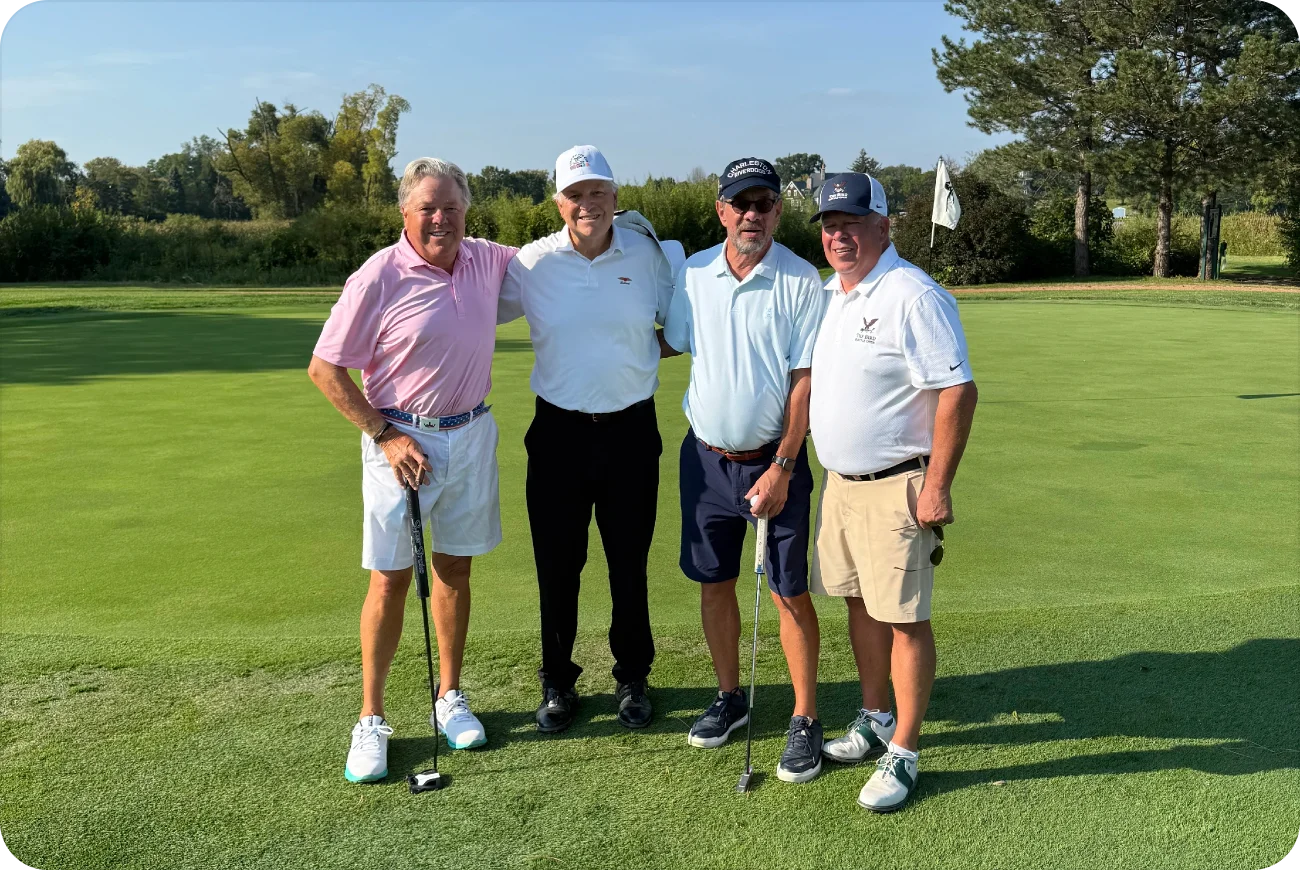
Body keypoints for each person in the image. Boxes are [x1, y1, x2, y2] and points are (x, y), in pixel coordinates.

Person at [308, 158, 516, 782]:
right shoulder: (378, 274)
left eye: (451, 206)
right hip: (401, 442)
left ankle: (449, 696)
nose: (440, 218)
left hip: (471, 433)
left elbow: (557, 250)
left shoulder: (485, 258)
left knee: (454, 568)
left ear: (466, 212)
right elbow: (325, 370)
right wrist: (385, 436)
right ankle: (370, 718)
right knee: (390, 579)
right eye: (427, 206)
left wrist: (631, 226)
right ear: (405, 212)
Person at [806, 172, 978, 812]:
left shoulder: (913, 294)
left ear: (884, 227)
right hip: (842, 487)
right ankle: (875, 715)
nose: (839, 236)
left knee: (905, 617)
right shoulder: (832, 295)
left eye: (851, 224)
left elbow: (957, 390)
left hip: (898, 485)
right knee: (858, 604)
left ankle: (904, 749)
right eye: (829, 225)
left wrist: (937, 486)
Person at [660, 157, 830, 783]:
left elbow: (803, 381)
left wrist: (784, 465)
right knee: (713, 582)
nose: (752, 214)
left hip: (775, 460)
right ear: (721, 211)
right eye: (741, 203)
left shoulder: (800, 279)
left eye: (764, 203)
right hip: (705, 459)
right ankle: (731, 697)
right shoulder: (695, 271)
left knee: (788, 591)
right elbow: (673, 340)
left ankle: (805, 717)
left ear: (779, 210)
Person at [498, 145, 676, 733]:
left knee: (629, 563)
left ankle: (632, 677)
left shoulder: (648, 257)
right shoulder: (533, 264)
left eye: (597, 192)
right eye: (575, 194)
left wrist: (637, 354)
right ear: (558, 203)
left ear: (615, 198)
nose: (587, 204)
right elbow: (471, 307)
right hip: (558, 433)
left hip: (630, 430)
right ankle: (556, 680)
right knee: (557, 565)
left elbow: (678, 327)